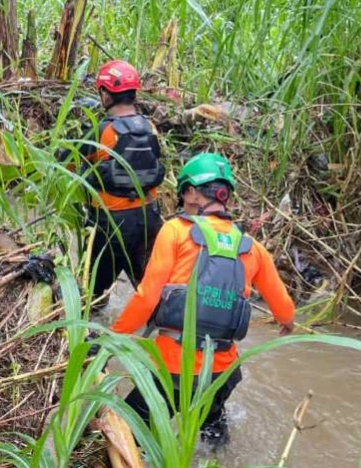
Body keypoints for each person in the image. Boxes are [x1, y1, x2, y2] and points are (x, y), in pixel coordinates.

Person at [110, 152, 295, 446]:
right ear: (226, 197)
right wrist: (287, 323)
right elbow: (284, 308)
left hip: (171, 370)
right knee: (212, 433)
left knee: (125, 433)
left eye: (184, 192)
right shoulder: (253, 249)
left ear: (193, 192)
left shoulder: (175, 231)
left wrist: (114, 337)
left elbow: (147, 296)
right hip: (222, 373)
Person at [79, 60, 166, 302]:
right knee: (151, 295)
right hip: (149, 219)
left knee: (92, 298)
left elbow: (68, 162)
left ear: (106, 94)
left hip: (112, 225)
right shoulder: (150, 127)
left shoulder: (101, 132)